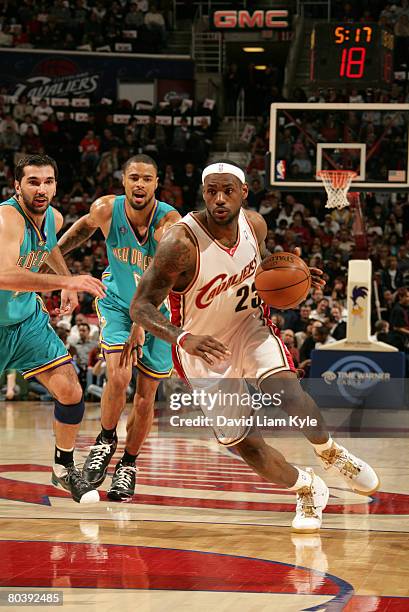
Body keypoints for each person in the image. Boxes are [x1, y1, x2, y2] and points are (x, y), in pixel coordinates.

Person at [126, 160, 379, 532]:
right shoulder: (180, 243)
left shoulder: (254, 224)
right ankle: (307, 488)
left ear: (244, 192)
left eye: (228, 190)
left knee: (289, 392)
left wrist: (299, 277)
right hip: (204, 348)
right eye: (211, 191)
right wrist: (183, 337)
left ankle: (331, 453)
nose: (219, 199)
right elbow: (140, 306)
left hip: (250, 327)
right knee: (246, 444)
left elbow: (263, 273)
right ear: (203, 193)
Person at [57, 154, 180, 500]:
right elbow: (80, 231)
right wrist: (55, 262)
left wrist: (143, 321)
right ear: (124, 181)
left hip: (157, 312)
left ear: (158, 183)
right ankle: (105, 440)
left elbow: (166, 279)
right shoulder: (107, 210)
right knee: (119, 376)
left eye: (147, 178)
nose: (140, 184)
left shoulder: (169, 224)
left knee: (145, 400)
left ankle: (128, 465)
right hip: (117, 302)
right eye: (134, 177)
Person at [0, 154, 106, 503]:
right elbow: (4, 275)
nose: (41, 188)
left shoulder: (53, 218)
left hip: (26, 321)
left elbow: (48, 249)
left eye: (48, 181)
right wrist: (65, 278)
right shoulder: (6, 218)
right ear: (17, 186)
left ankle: (63, 467)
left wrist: (67, 285)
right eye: (33, 182)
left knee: (70, 390)